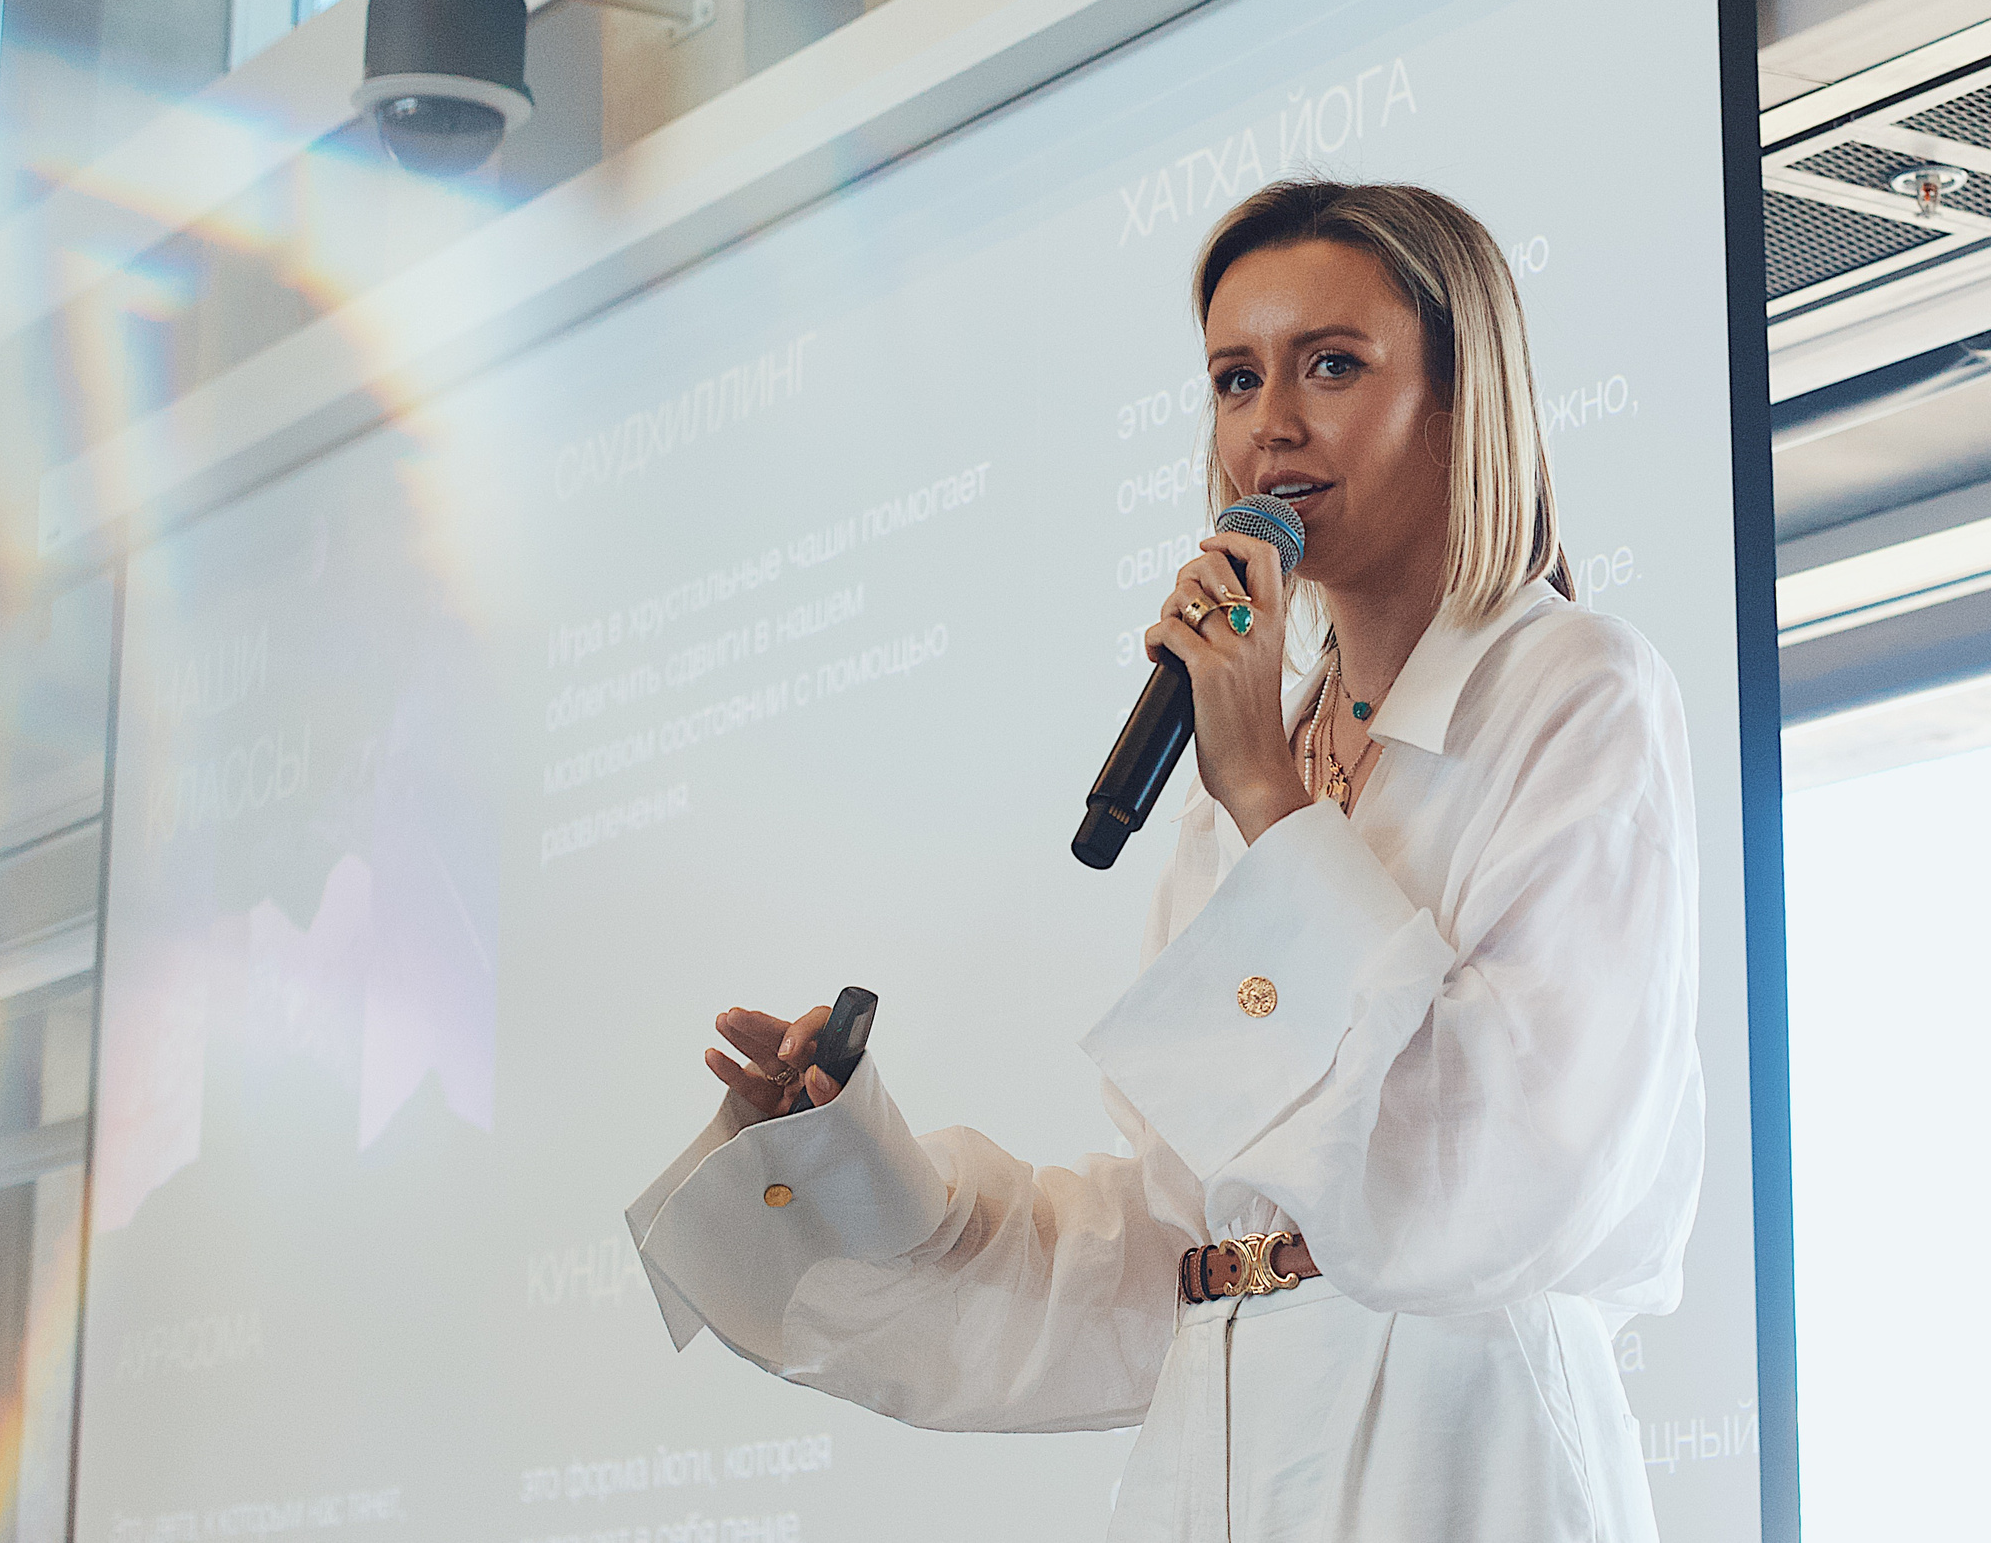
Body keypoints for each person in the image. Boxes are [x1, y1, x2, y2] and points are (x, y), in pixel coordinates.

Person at [627, 180, 1703, 1540]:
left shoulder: (1571, 688)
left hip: (1462, 1451)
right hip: (1228, 1456)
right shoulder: (1252, 763)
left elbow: (1507, 1158)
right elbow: (1173, 1235)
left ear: (1460, 395)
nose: (1274, 421)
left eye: (1332, 363)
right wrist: (852, 1155)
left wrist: (1264, 791)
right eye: (1234, 377)